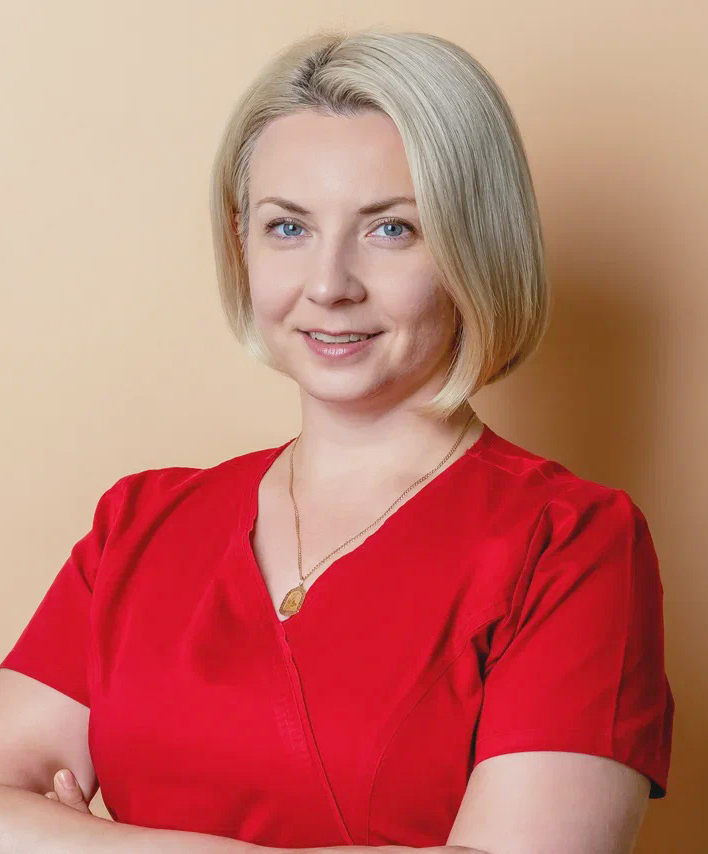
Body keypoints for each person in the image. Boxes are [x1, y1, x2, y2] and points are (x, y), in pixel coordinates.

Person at [0, 26, 673, 854]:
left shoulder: (571, 544)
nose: (329, 285)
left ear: (476, 245)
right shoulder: (140, 524)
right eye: (289, 228)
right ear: (241, 240)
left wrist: (83, 841)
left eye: (392, 230)